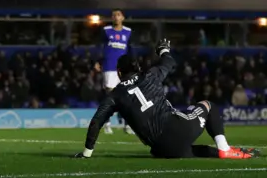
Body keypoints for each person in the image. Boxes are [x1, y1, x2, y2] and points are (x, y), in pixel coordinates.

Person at [75, 39, 259, 159]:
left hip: (161, 150)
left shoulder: (114, 94)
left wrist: (87, 154)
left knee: (188, 150)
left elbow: (96, 121)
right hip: (175, 127)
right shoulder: (149, 76)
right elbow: (169, 62)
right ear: (137, 67)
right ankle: (225, 148)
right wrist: (163, 50)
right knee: (208, 105)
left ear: (119, 73)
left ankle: (235, 153)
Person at [96, 9, 134, 135]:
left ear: (123, 17)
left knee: (126, 96)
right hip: (109, 66)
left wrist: (134, 65)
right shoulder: (106, 31)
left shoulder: (128, 32)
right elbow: (100, 47)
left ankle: (127, 125)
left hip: (124, 68)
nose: (116, 17)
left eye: (118, 15)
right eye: (114, 15)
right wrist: (98, 61)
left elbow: (131, 50)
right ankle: (107, 123)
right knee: (110, 96)